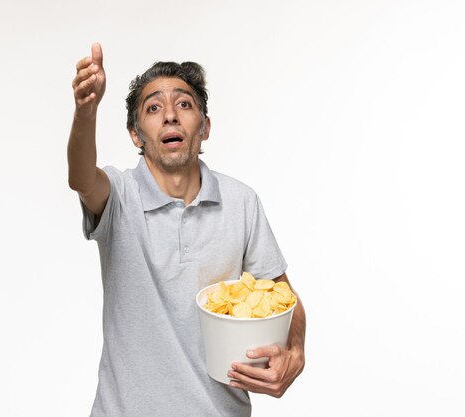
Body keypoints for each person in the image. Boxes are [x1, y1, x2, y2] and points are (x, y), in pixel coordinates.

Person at [68, 42, 306, 417]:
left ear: (205, 127)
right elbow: (81, 178)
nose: (170, 116)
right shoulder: (120, 196)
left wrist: (294, 354)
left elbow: (286, 300)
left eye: (184, 104)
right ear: (135, 134)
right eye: (153, 108)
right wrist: (85, 113)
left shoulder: (241, 202)